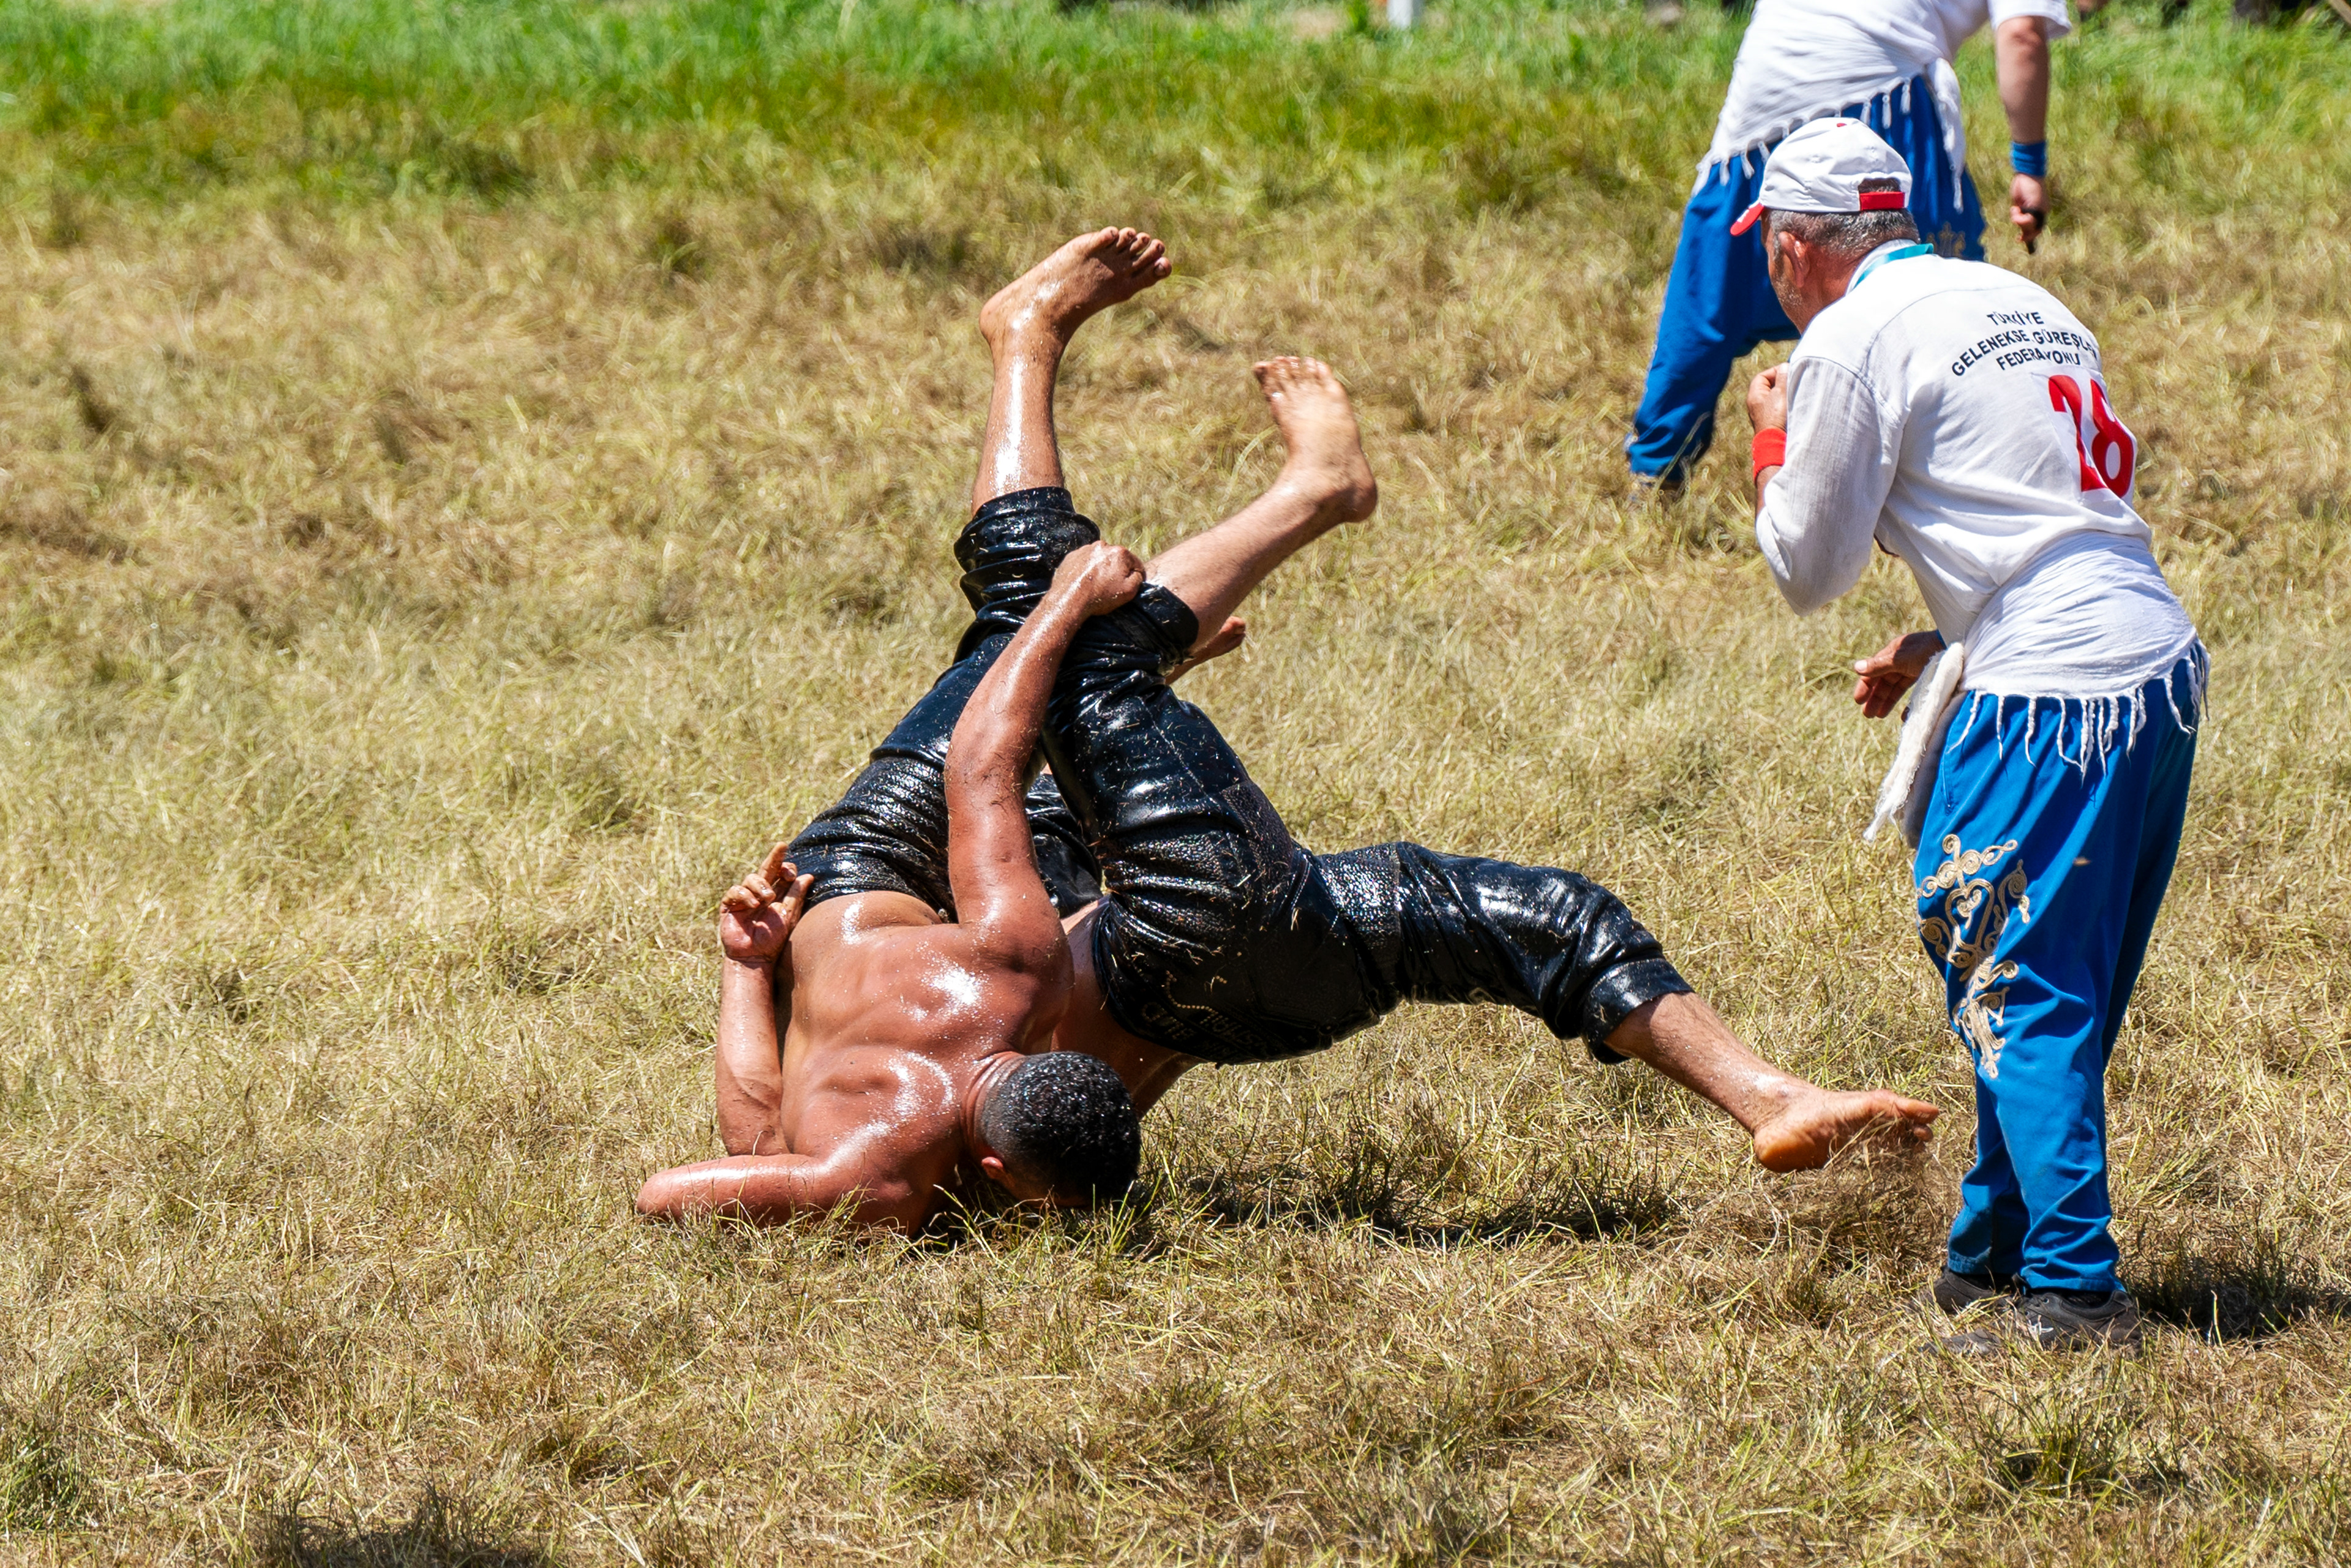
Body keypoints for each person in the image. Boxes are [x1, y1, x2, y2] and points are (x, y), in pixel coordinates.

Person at [636, 227, 1941, 1234]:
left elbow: (734, 1143)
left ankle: (1113, 398)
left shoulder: (970, 1028)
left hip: (884, 886)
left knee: (1059, 638)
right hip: (1015, 927)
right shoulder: (1015, 978)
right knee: (1068, 645)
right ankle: (1160, 429)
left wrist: (746, 969)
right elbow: (748, 1140)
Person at [1738, 119, 2202, 1351]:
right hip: (2152, 664)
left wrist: (1768, 433)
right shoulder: (2016, 293)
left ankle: (2080, 1293)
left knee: (2019, 985)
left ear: (1794, 245)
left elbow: (1805, 566)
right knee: (2042, 983)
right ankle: (1987, 1256)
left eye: (1767, 252)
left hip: (2049, 692)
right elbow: (2030, 512)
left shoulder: (1846, 337)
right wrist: (1936, 641)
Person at [1628, 0, 2089, 493]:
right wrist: (2029, 165)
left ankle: (1656, 477)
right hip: (1886, 99)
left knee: (1712, 296)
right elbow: (2022, 35)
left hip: (1764, 93)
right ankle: (1961, 465)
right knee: (1935, 307)